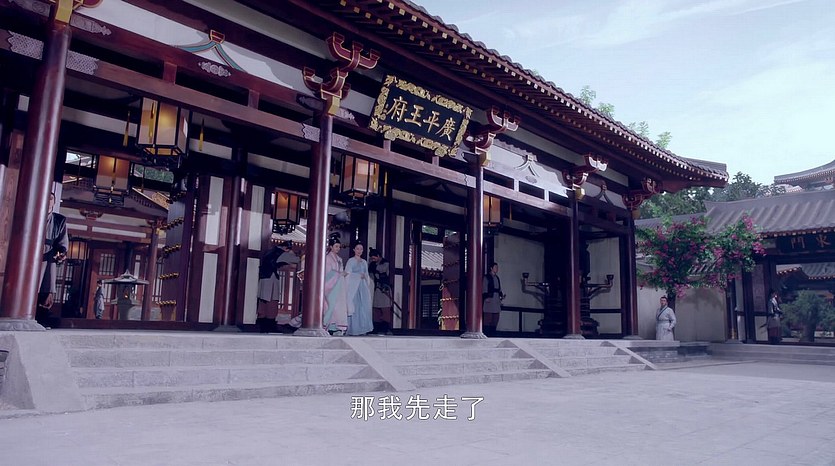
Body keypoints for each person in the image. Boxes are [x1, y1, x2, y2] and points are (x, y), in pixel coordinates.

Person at [36, 192, 68, 327]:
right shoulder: (33, 214)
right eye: (47, 197)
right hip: (31, 255)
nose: (48, 201)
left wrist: (62, 253)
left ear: (54, 202)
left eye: (51, 198)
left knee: (45, 287)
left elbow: (62, 243)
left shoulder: (59, 220)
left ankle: (41, 317)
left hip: (48, 257)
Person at [256, 241, 300, 333]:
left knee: (263, 302)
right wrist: (293, 254)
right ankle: (270, 325)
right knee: (272, 301)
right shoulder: (281, 253)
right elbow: (296, 260)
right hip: (271, 278)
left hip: (264, 278)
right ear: (286, 248)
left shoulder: (270, 252)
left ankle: (262, 326)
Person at [345, 242, 373, 336]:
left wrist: (365, 276)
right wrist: (357, 276)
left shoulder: (364, 262)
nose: (359, 251)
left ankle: (363, 328)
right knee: (354, 306)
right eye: (357, 249)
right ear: (354, 250)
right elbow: (348, 274)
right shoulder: (351, 261)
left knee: (364, 307)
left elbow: (367, 274)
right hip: (354, 287)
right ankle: (353, 329)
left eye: (361, 249)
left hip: (362, 286)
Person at [322, 237, 348, 335]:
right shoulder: (327, 258)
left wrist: (342, 274)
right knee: (330, 305)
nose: (338, 248)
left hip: (338, 284)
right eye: (336, 246)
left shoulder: (339, 259)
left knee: (337, 306)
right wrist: (339, 274)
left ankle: (334, 327)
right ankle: (324, 324)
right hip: (330, 285)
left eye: (339, 247)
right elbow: (327, 272)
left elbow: (340, 270)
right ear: (331, 247)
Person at [368, 249, 393, 334]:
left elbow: (382, 270)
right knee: (376, 309)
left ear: (378, 256)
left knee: (385, 309)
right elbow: (371, 276)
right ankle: (376, 327)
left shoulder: (385, 263)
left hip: (384, 289)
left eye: (374, 257)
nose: (373, 259)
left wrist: (374, 266)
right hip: (376, 289)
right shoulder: (372, 265)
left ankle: (385, 328)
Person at [482, 262, 505, 336]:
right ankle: (486, 333)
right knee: (488, 317)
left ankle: (493, 333)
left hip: (496, 299)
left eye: (497, 267)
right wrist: (486, 297)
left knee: (496, 317)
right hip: (489, 298)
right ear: (491, 268)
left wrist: (501, 296)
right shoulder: (487, 277)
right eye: (495, 267)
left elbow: (499, 289)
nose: (496, 269)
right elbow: (484, 288)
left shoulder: (497, 278)